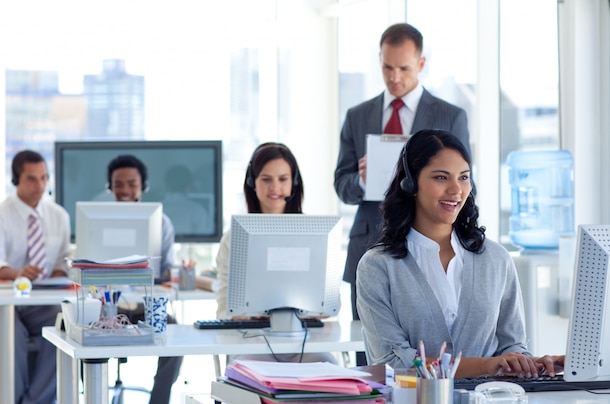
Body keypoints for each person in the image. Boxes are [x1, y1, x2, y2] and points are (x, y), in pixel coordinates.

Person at [357, 129, 564, 377]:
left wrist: (530, 364)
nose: (456, 190)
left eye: (463, 177)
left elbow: (512, 345)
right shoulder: (377, 267)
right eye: (441, 178)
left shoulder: (496, 259)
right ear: (410, 183)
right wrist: (488, 366)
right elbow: (391, 363)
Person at [334, 22, 471, 364]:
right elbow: (341, 184)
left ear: (421, 64)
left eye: (404, 68)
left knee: (425, 347)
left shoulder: (449, 116)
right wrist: (363, 180)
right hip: (368, 243)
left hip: (427, 243)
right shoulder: (357, 116)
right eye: (387, 67)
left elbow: (463, 180)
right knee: (373, 354)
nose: (394, 77)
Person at [215, 142, 336, 363]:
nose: (275, 188)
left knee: (330, 370)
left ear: (294, 183)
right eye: (266, 179)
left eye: (283, 179)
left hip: (302, 339)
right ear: (252, 182)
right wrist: (243, 314)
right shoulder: (233, 238)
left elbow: (329, 305)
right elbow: (223, 307)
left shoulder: (314, 232)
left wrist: (311, 310)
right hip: (252, 340)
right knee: (246, 376)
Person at [0, 150, 71, 404]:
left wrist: (53, 277)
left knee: (64, 322)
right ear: (16, 180)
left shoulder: (59, 216)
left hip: (42, 304)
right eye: (32, 179)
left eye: (44, 178)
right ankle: (11, 400)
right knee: (7, 332)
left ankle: (35, 402)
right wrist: (19, 274)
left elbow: (62, 263)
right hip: (8, 303)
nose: (40, 186)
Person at [106, 155, 183, 404]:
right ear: (110, 187)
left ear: (143, 186)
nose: (125, 190)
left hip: (147, 307)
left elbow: (168, 269)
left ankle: (158, 401)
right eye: (118, 184)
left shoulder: (161, 222)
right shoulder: (99, 219)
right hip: (108, 310)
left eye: (132, 183)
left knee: (174, 334)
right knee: (82, 334)